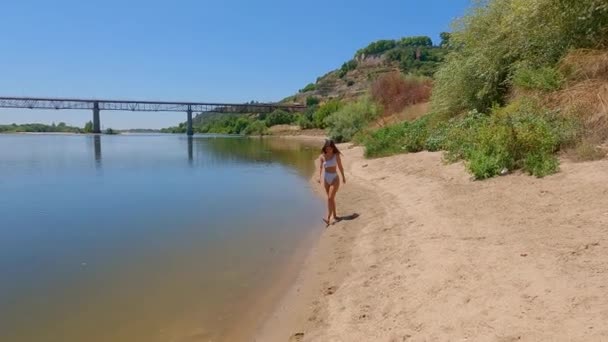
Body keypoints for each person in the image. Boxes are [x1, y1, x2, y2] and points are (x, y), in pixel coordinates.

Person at [318, 139, 346, 226]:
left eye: (330, 148)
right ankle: (335, 215)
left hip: (334, 178)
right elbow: (320, 168)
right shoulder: (322, 156)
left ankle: (328, 218)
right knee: (331, 199)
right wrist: (319, 177)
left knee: (330, 198)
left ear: (333, 148)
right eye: (327, 148)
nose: (328, 150)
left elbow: (340, 167)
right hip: (326, 178)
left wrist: (343, 177)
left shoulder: (336, 155)